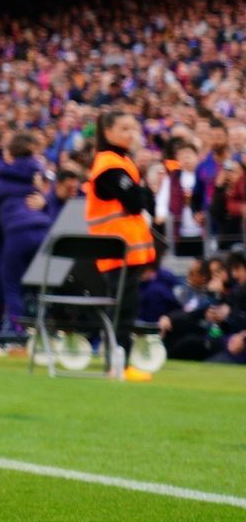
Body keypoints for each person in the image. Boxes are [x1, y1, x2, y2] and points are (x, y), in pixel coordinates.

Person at [83, 110, 159, 381]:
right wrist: (144, 189)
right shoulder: (109, 164)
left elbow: (144, 199)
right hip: (116, 251)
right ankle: (118, 364)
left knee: (127, 308)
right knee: (122, 310)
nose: (132, 134)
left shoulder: (122, 162)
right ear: (108, 132)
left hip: (126, 251)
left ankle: (119, 363)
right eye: (125, 128)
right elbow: (137, 201)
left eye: (133, 128)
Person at [0, 132, 54, 335]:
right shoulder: (37, 176)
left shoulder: (2, 177)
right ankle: (45, 329)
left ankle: (16, 331)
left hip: (15, 234)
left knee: (10, 286)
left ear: (10, 153)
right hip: (45, 231)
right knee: (39, 285)